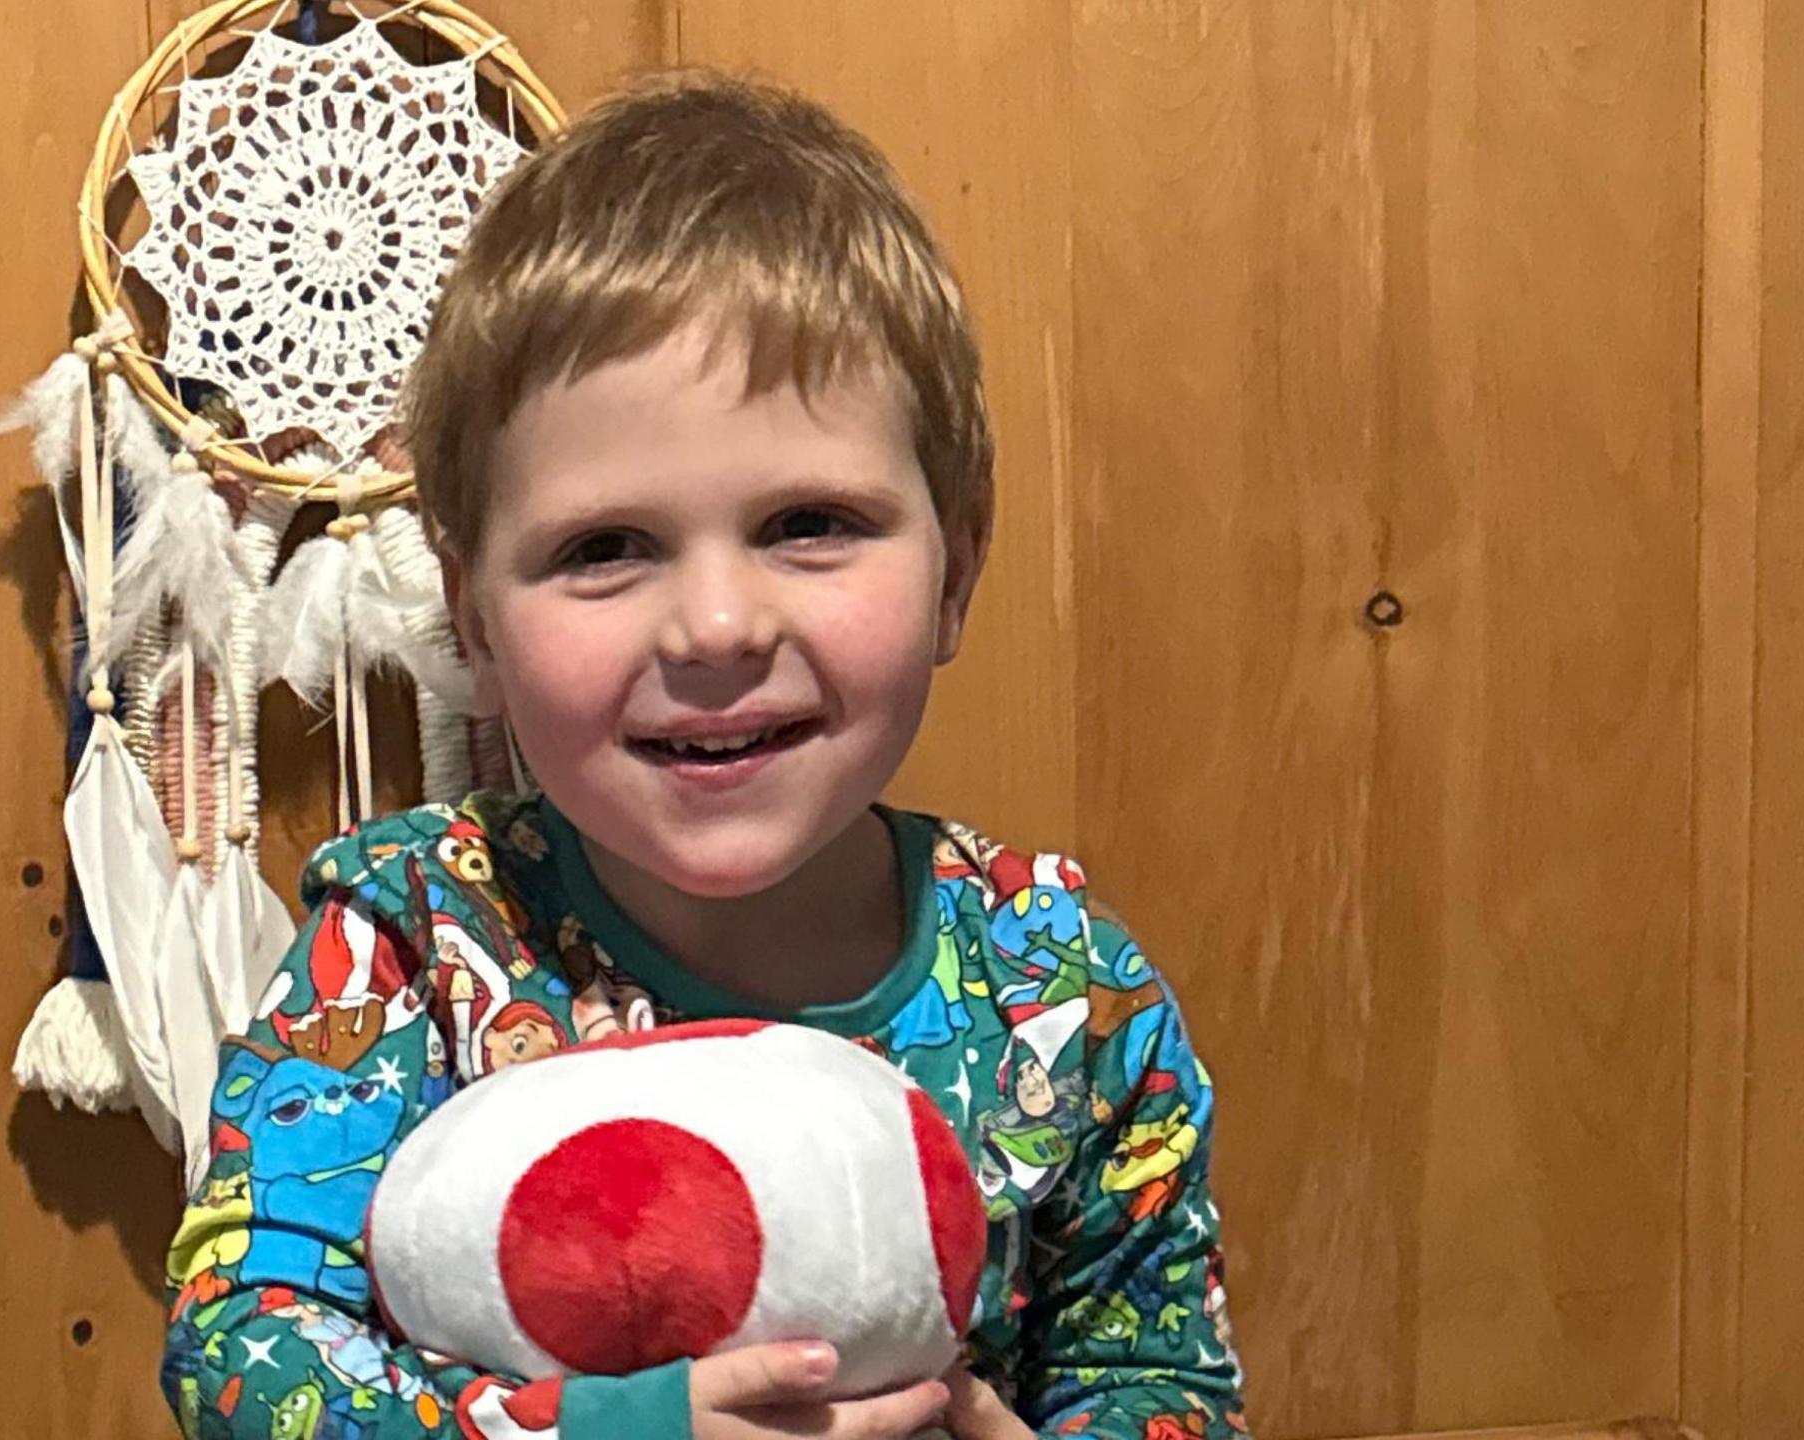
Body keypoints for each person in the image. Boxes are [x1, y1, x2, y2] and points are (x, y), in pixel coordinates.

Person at [161, 67, 1248, 1440]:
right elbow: (245, 1347)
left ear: (956, 572)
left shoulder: (1069, 987)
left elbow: (1163, 1380)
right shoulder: (408, 938)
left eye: (810, 523)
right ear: (472, 623)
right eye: (603, 549)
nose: (719, 626)